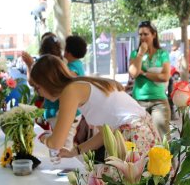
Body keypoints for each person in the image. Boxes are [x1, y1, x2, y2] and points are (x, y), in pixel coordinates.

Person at [30, 55, 160, 157]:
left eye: (37, 87)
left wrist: (43, 137)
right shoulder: (81, 85)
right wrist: (75, 152)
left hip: (133, 135)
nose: (39, 93)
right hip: (141, 131)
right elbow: (105, 134)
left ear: (47, 82)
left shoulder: (71, 91)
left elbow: (56, 143)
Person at [128, 21, 171, 138]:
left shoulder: (162, 54)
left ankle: (168, 157)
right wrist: (140, 54)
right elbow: (133, 73)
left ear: (154, 35)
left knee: (163, 138)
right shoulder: (135, 54)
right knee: (141, 138)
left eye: (145, 34)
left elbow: (165, 76)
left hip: (159, 101)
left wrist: (145, 73)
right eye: (140, 34)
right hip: (139, 101)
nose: (142, 37)